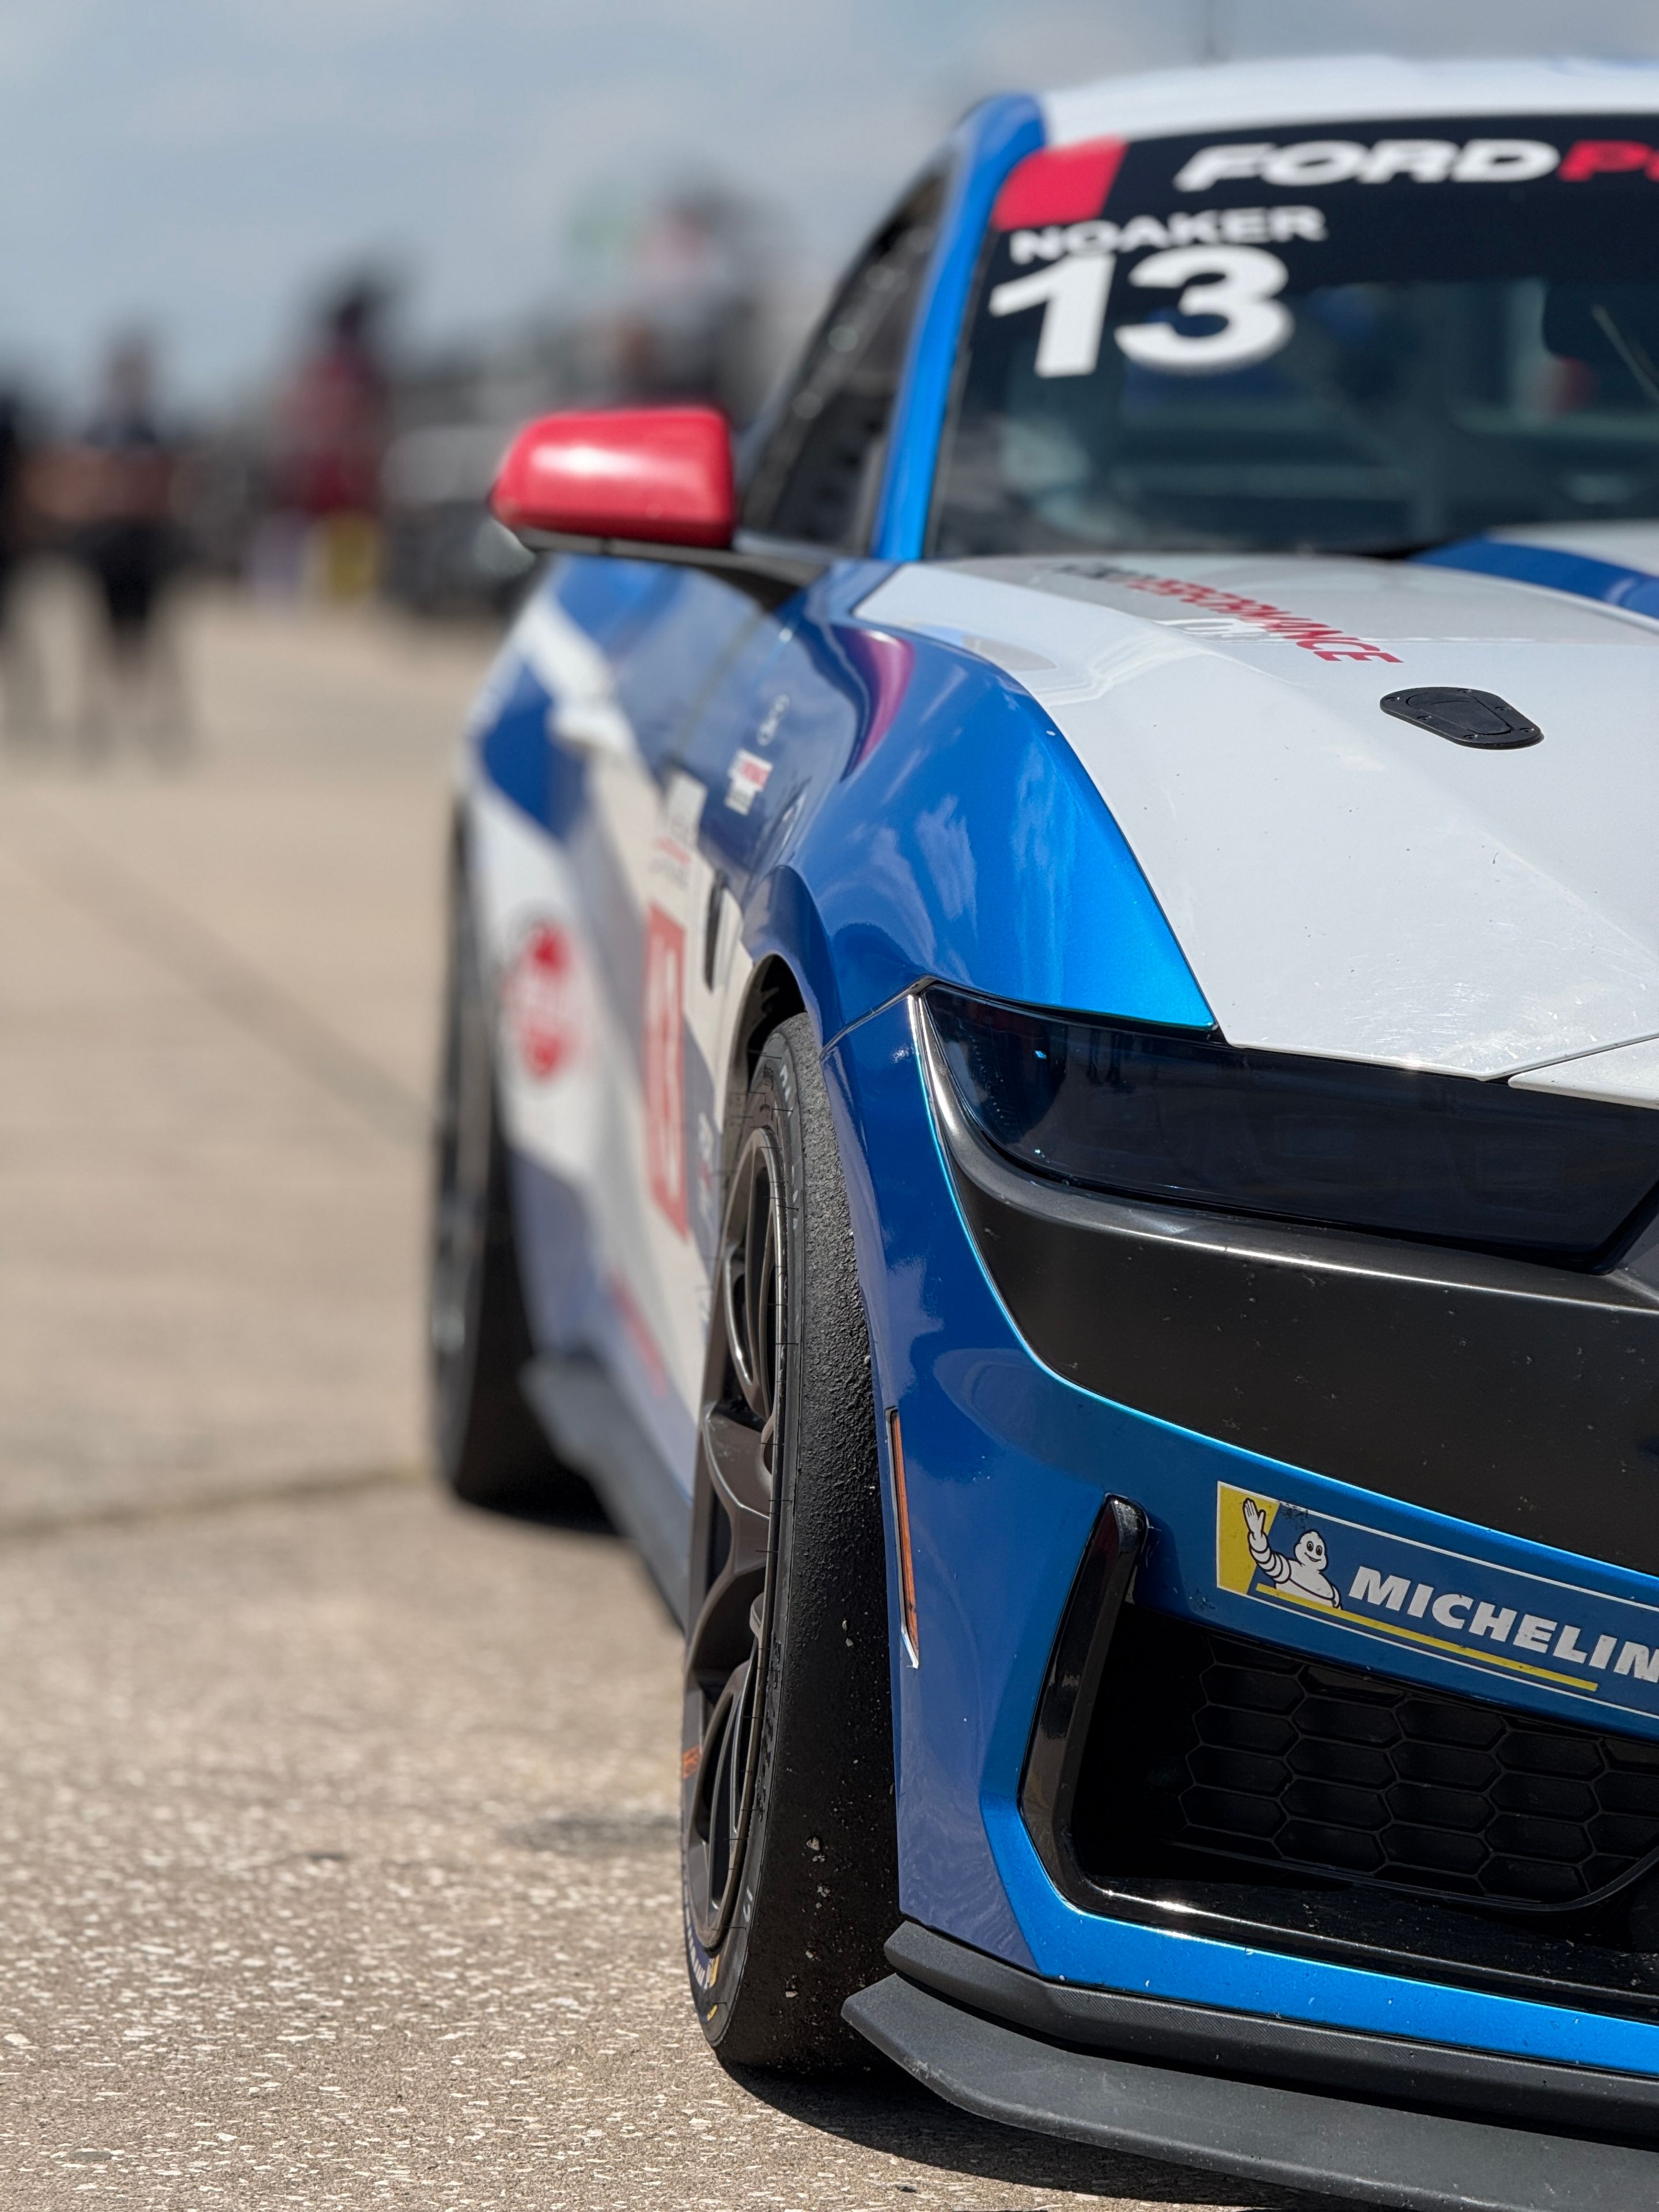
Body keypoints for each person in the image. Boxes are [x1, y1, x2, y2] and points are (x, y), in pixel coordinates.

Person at [62, 337, 187, 757]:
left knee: (152, 640)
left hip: (145, 544)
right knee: (99, 637)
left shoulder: (156, 429)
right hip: (108, 544)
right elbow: (80, 485)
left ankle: (161, 725)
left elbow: (168, 488)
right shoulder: (98, 427)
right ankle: (95, 723)